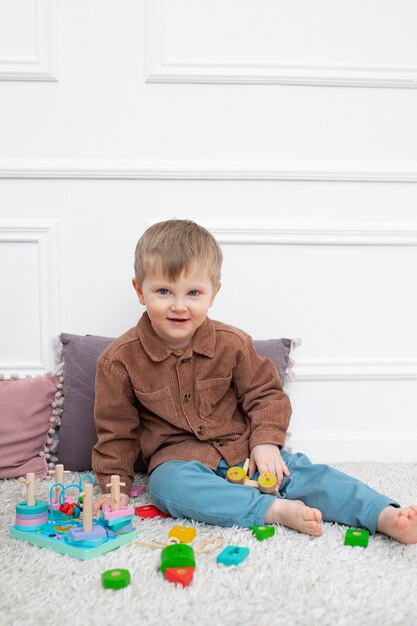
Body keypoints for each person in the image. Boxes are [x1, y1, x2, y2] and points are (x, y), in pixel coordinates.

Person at [92, 219, 417, 543]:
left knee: (304, 473)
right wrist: (114, 487)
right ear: (139, 291)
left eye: (193, 292)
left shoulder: (232, 342)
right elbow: (116, 431)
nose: (179, 306)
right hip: (179, 461)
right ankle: (272, 510)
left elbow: (266, 394)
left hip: (243, 448)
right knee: (166, 488)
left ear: (213, 293)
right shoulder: (119, 360)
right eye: (164, 291)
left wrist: (266, 442)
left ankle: (383, 515)